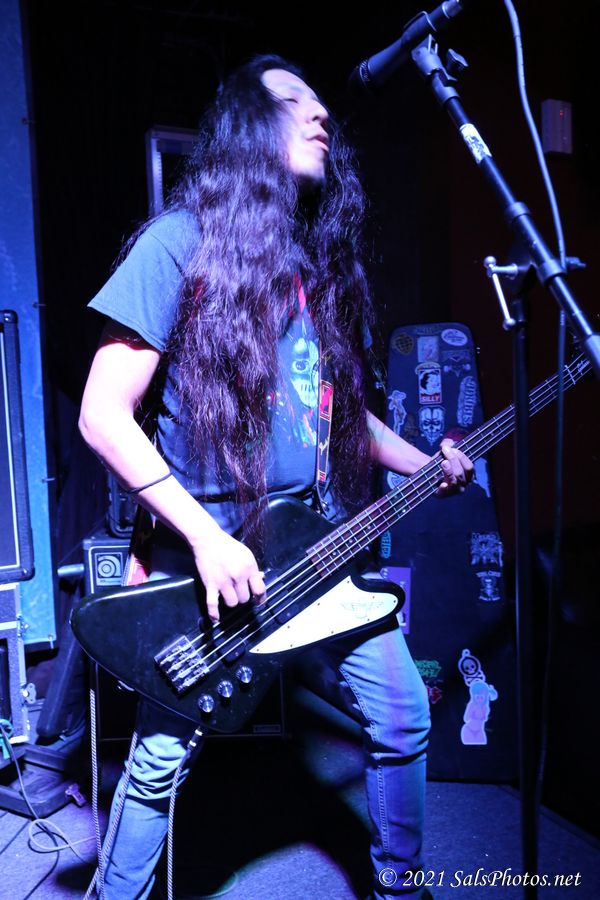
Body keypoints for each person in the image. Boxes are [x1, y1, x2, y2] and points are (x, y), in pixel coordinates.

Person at [79, 54, 473, 900]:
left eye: (322, 101)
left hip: (311, 548)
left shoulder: (309, 265)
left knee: (402, 711)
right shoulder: (177, 244)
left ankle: (400, 886)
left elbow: (338, 413)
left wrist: (423, 463)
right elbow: (102, 414)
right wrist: (204, 539)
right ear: (245, 128)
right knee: (160, 761)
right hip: (211, 558)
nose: (320, 113)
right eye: (294, 100)